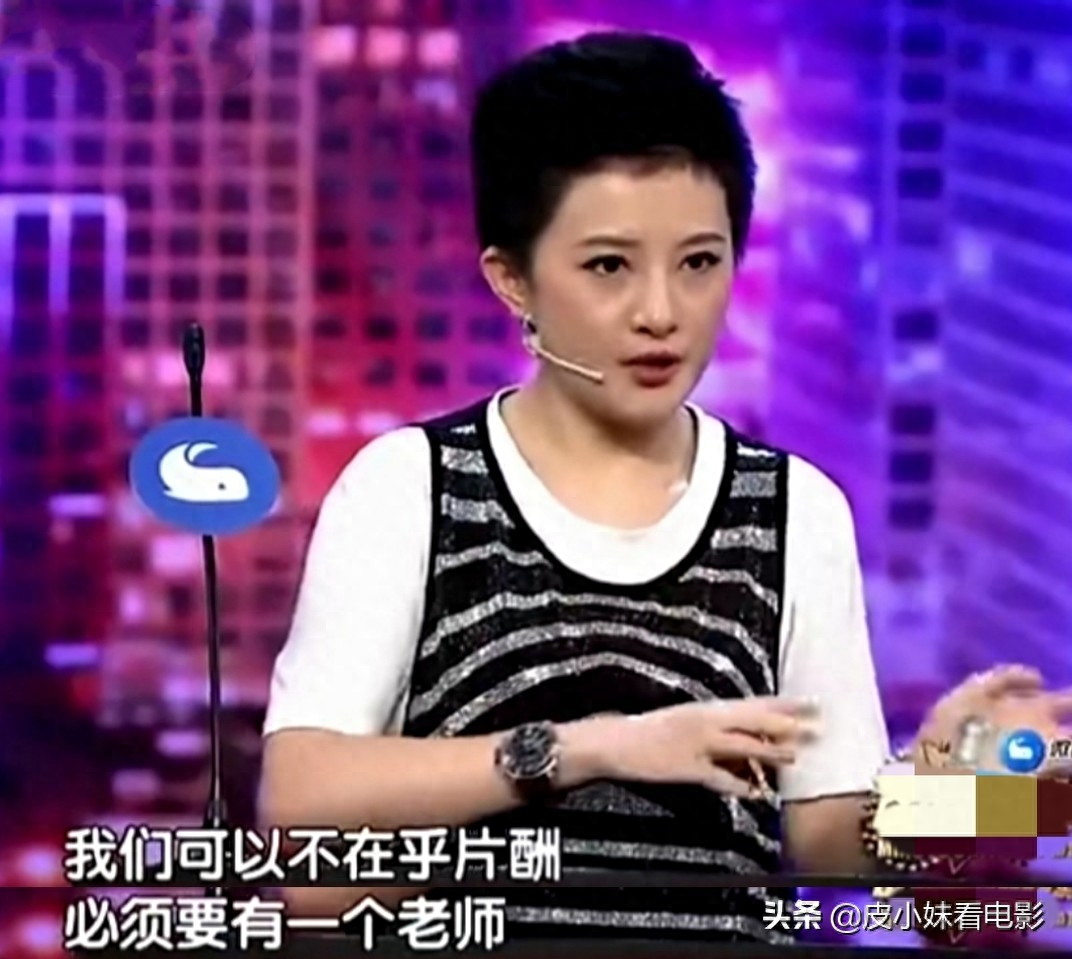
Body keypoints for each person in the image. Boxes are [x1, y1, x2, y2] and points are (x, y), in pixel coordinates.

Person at [259, 31, 1070, 942]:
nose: (662, 313)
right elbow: (301, 829)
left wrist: (960, 792)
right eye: (609, 266)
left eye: (699, 263)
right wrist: (592, 747)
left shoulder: (797, 512)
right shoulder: (410, 490)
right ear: (512, 279)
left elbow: (831, 847)